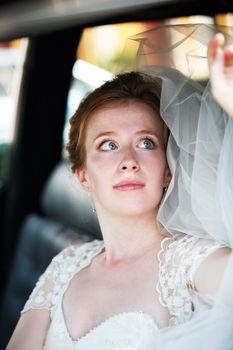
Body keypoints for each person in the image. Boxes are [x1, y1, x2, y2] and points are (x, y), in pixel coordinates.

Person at [6, 30, 233, 350]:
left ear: (166, 171)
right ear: (83, 176)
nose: (128, 161)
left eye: (146, 143)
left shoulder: (192, 264)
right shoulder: (66, 264)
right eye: (108, 145)